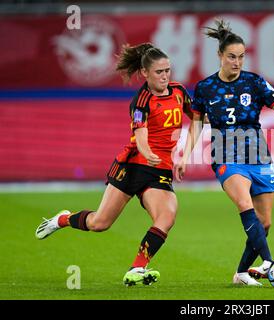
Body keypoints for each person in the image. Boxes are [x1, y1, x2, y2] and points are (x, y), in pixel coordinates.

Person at [35, 42, 193, 286]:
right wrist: (147, 151)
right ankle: (63, 219)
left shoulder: (179, 91)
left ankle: (137, 268)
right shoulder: (141, 101)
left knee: (167, 217)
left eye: (168, 71)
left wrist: (184, 154)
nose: (165, 76)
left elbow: (198, 119)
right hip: (132, 166)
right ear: (145, 73)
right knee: (100, 223)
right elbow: (140, 136)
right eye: (159, 72)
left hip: (159, 170)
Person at [175, 20, 274, 286]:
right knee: (245, 205)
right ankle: (268, 262)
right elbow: (197, 123)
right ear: (220, 55)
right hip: (226, 155)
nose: (237, 62)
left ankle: (241, 273)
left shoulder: (255, 83)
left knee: (264, 223)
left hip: (258, 155)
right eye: (232, 56)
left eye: (242, 56)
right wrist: (184, 156)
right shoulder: (205, 88)